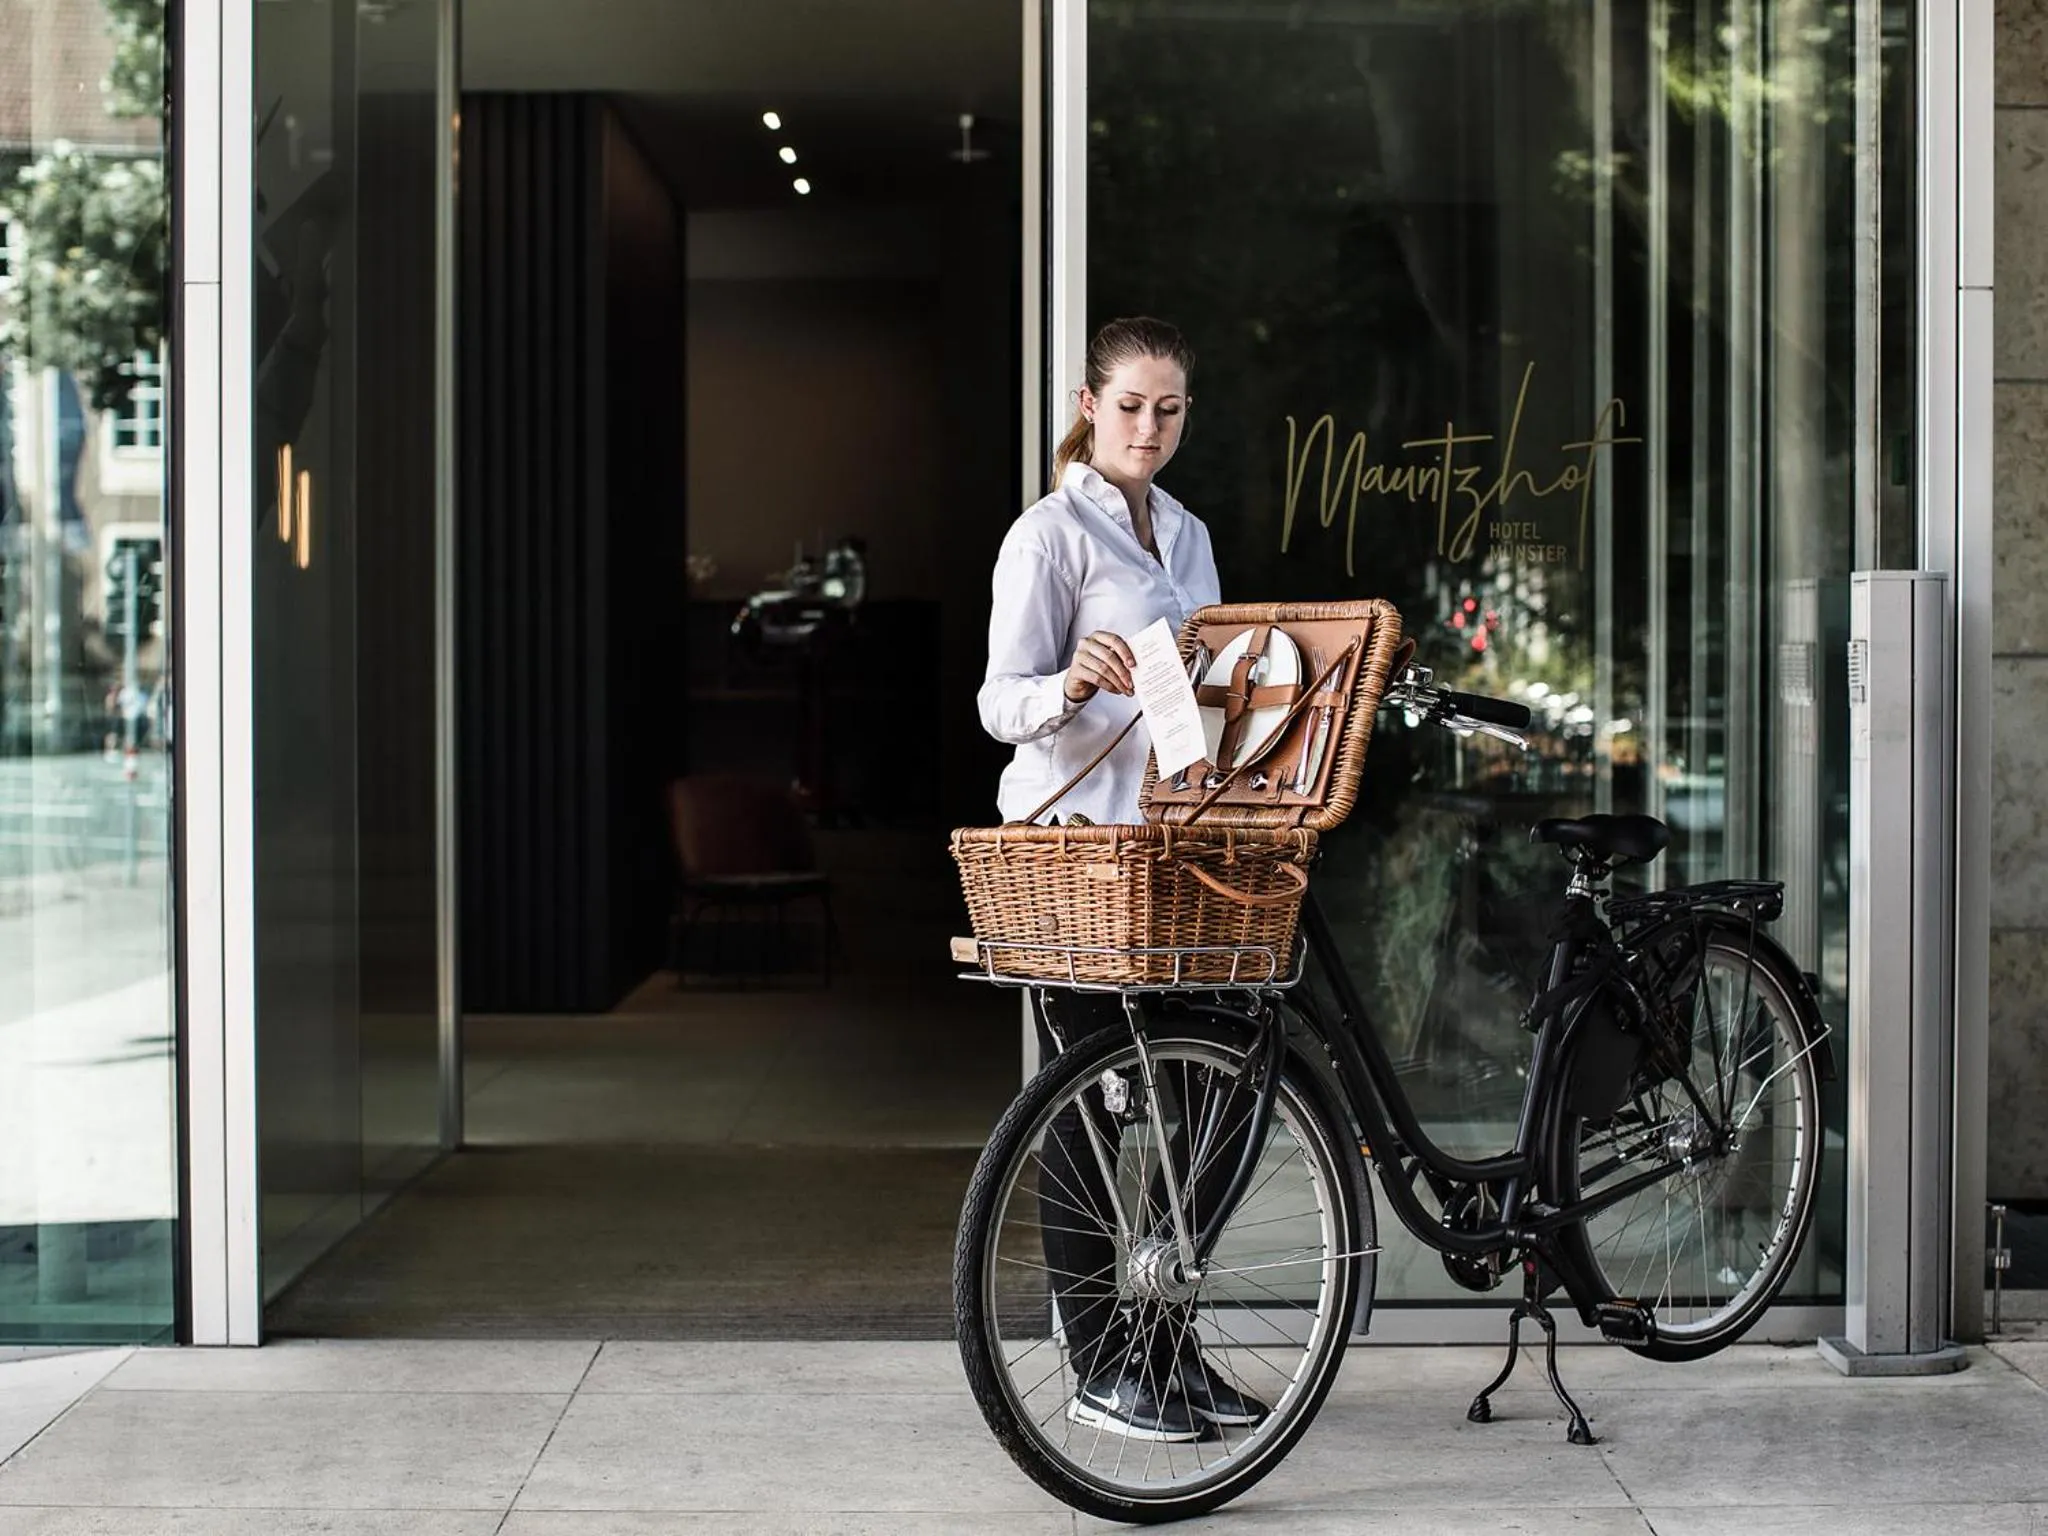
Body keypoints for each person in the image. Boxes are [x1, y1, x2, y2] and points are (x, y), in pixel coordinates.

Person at [978, 317, 1267, 1443]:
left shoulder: (1186, 534)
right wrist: (1065, 683)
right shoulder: (1047, 537)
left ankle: (1163, 1339)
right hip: (1074, 858)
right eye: (1132, 405)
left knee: (1222, 1082)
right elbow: (997, 702)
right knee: (1088, 1115)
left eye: (1171, 408)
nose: (1151, 426)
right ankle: (1102, 1363)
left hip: (1168, 852)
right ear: (1089, 404)